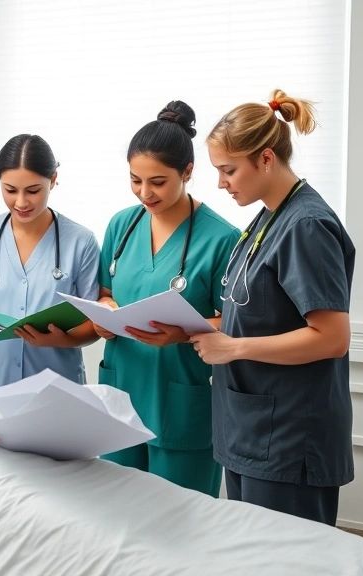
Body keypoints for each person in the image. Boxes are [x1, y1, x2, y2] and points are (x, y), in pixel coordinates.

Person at [191, 89, 356, 525]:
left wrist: (233, 349)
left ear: (265, 159)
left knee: (289, 562)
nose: (221, 183)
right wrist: (191, 328)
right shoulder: (267, 218)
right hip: (251, 428)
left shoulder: (307, 225)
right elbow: (257, 314)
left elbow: (332, 337)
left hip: (288, 437)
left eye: (229, 170)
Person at [94, 101, 240, 497]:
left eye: (157, 181)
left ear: (188, 172)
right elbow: (106, 292)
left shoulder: (223, 238)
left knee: (181, 525)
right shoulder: (122, 225)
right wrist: (106, 312)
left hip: (179, 399)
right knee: (116, 516)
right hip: (122, 390)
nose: (145, 192)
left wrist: (181, 333)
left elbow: (236, 323)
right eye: (135, 180)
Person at [0, 135, 100, 387]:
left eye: (33, 191)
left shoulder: (81, 241)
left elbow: (94, 324)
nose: (20, 202)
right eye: (10, 190)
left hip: (55, 386)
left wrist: (56, 340)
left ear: (53, 180)